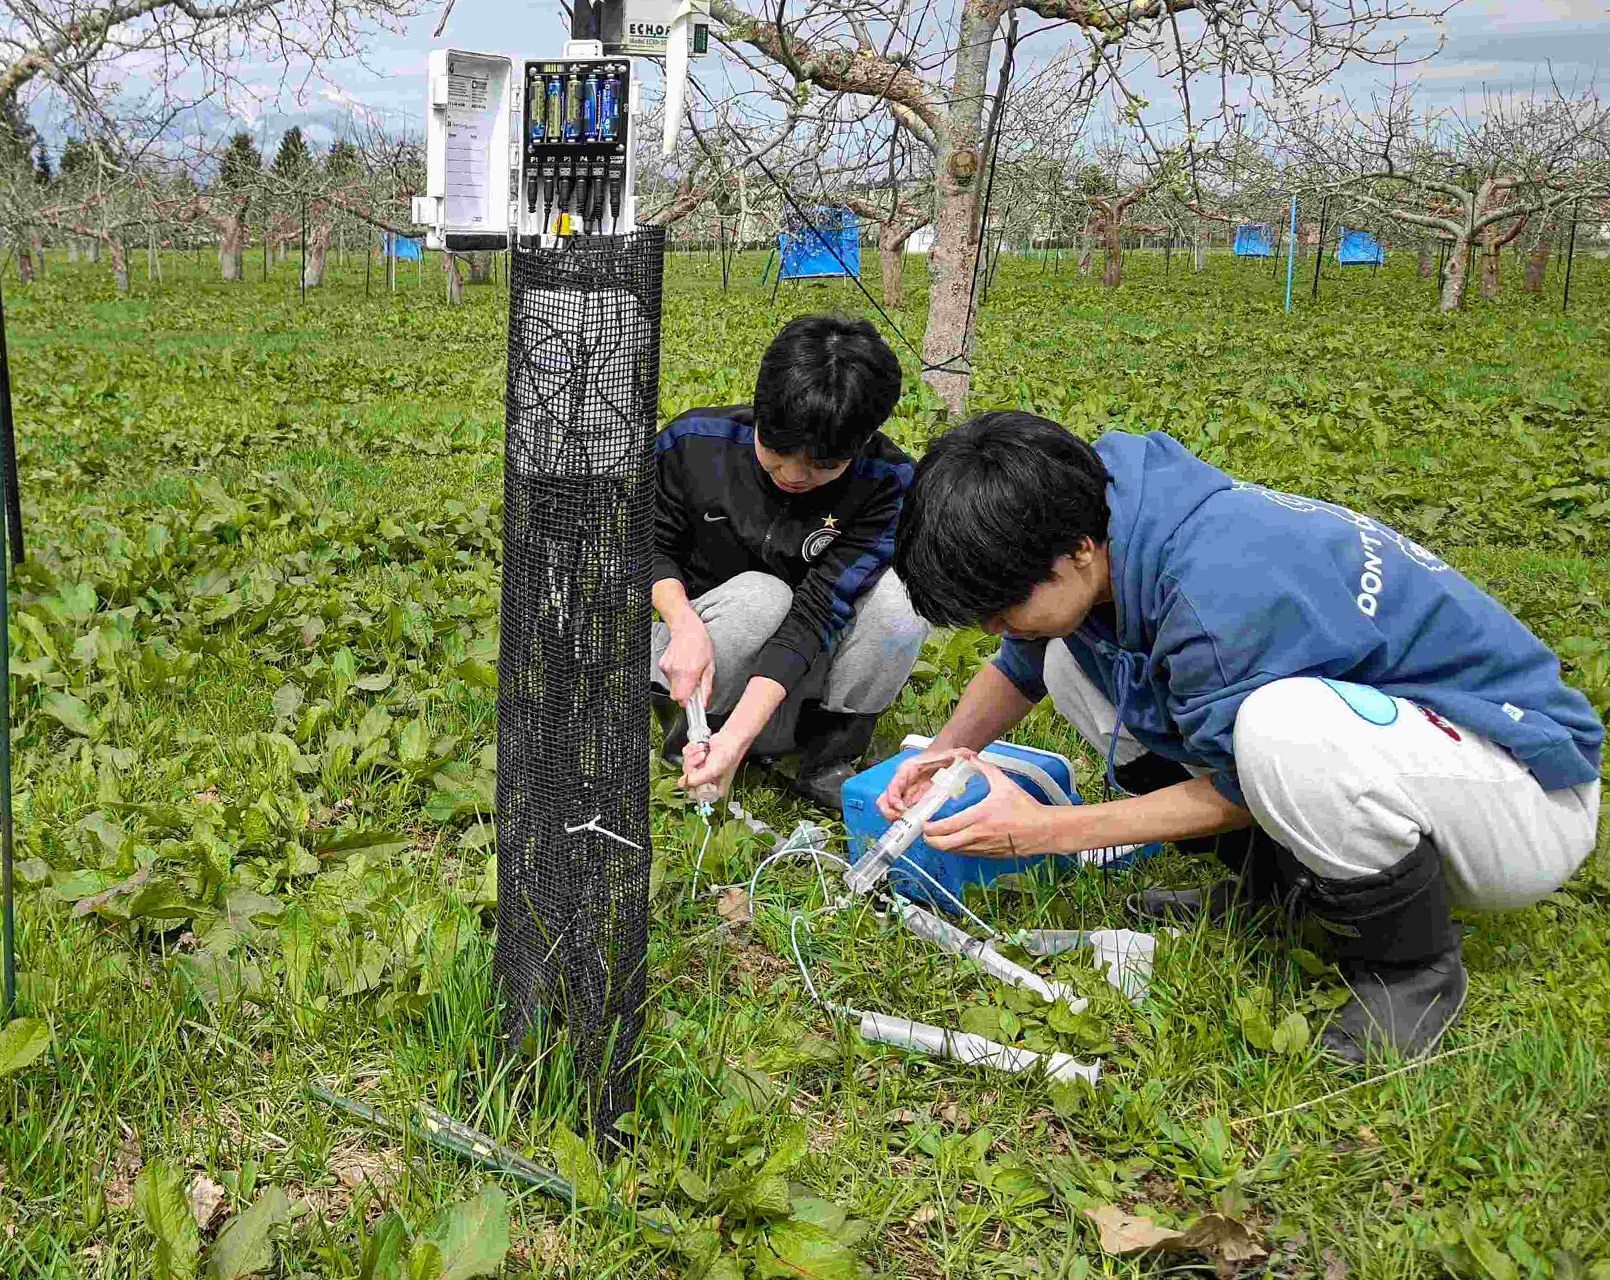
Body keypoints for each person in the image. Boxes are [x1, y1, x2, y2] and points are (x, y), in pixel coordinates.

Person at [880, 409, 1602, 1064]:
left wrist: (1047, 830)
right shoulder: (1103, 507)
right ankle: (1276, 889)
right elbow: (1023, 663)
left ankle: (1410, 971)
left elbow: (1238, 790)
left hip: (1523, 795)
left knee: (1282, 732)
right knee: (1071, 660)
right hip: (1413, 756)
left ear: (1075, 552)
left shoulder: (1213, 598)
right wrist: (942, 753)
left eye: (1002, 607)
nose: (994, 629)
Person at [651, 315, 930, 810]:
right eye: (776, 451)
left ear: (864, 442)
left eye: (824, 465)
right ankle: (692, 736)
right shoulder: (694, 444)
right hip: (695, 667)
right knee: (763, 596)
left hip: (798, 675)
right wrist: (684, 622)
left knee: (908, 595)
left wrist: (738, 738)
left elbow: (820, 609)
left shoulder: (887, 483)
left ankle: (825, 753)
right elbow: (647, 549)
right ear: (760, 411)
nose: (794, 475)